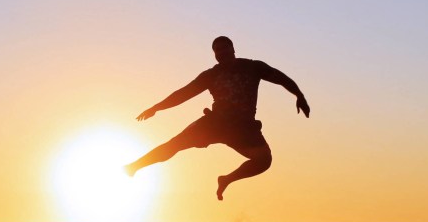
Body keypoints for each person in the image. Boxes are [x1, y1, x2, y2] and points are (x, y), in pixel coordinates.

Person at [125, 36, 310, 199]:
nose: (221, 53)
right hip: (215, 124)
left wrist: (299, 95)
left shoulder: (253, 67)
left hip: (243, 129)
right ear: (214, 54)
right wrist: (157, 107)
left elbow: (282, 78)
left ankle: (227, 179)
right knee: (174, 145)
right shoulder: (211, 75)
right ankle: (134, 166)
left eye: (224, 48)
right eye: (217, 51)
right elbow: (183, 93)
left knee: (264, 161)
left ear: (233, 49)